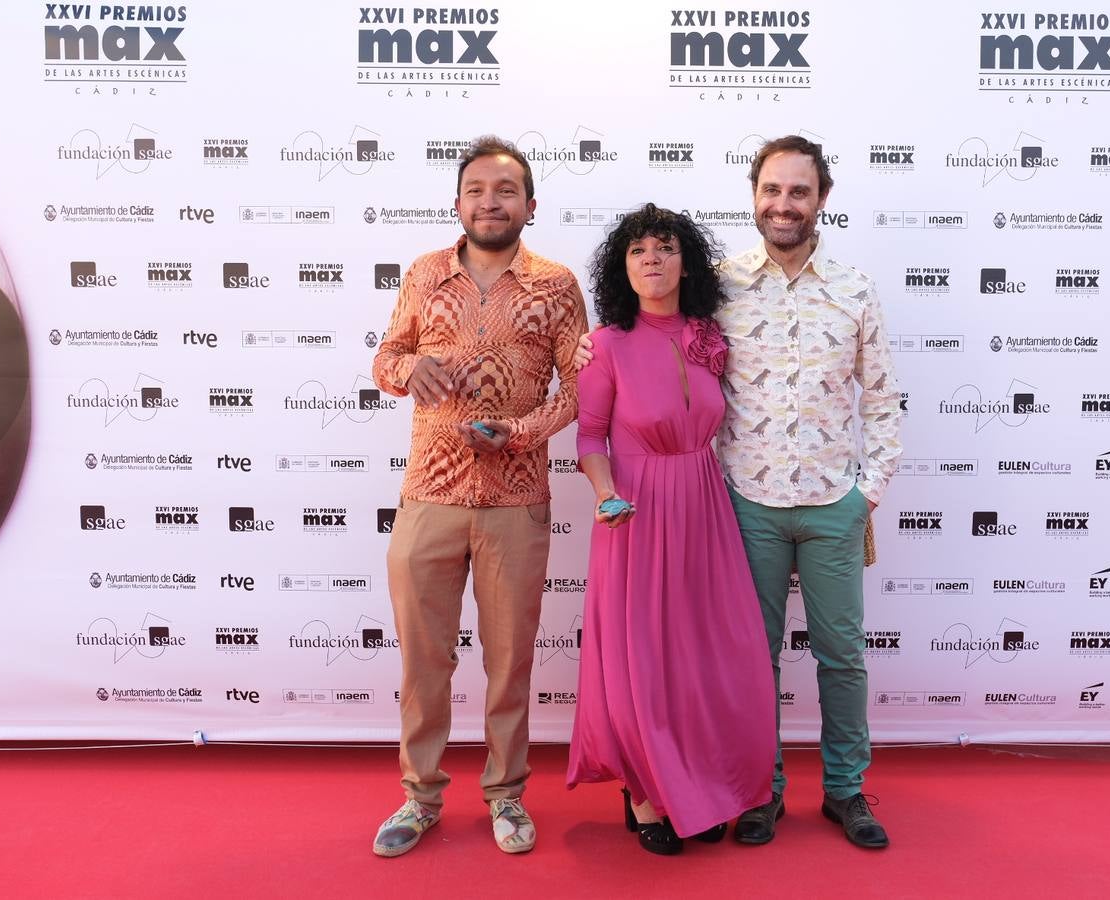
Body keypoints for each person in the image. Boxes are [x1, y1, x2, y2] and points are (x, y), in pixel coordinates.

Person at [575, 136, 903, 849]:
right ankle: (761, 790)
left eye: (799, 191)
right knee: (747, 660)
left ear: (821, 199)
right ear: (754, 196)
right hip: (743, 506)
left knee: (842, 656)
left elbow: (881, 399)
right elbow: (648, 337)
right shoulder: (718, 289)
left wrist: (867, 493)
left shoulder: (854, 289)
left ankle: (846, 790)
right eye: (772, 190)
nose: (784, 204)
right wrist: (592, 347)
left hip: (832, 503)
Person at [370, 135, 589, 858]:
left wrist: (520, 433)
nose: (490, 202)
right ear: (457, 202)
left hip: (515, 499)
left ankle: (506, 794)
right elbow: (386, 357)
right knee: (423, 660)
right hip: (428, 494)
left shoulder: (556, 285)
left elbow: (580, 390)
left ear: (531, 205)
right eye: (476, 191)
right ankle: (420, 796)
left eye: (505, 191)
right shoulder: (424, 273)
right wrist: (409, 369)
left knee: (509, 662)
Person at [566, 204, 776, 856]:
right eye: (637, 250)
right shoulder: (605, 345)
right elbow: (590, 436)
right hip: (634, 512)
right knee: (641, 662)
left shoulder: (711, 336)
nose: (651, 259)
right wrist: (606, 495)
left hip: (704, 506)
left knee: (699, 661)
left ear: (687, 264)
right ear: (622, 268)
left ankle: (695, 785)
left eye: (664, 247)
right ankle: (645, 795)